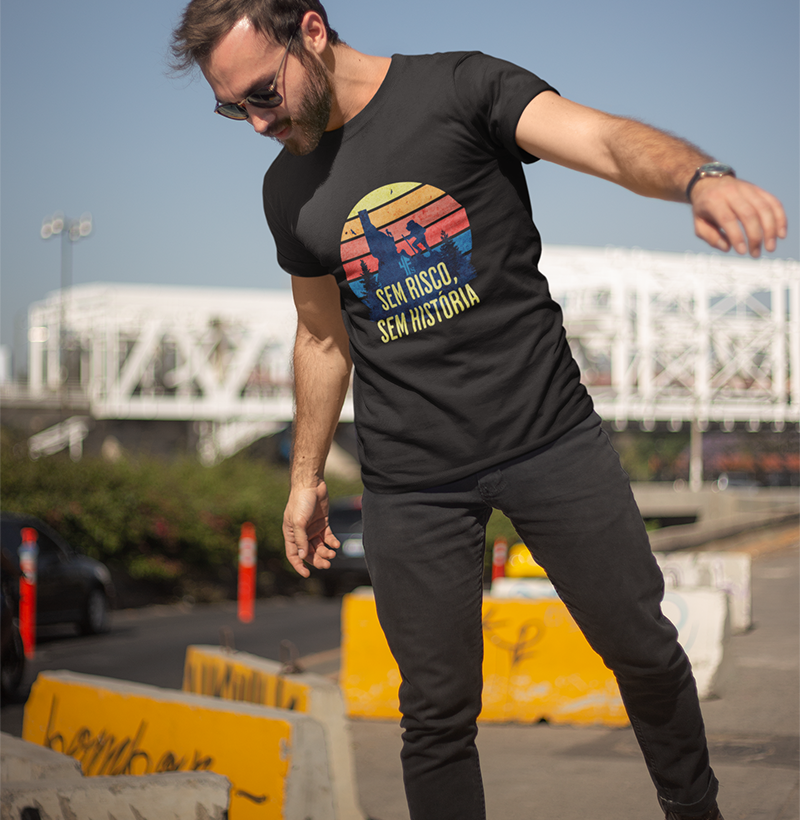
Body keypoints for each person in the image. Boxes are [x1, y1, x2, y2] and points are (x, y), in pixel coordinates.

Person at [170, 3, 787, 819]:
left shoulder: (462, 88)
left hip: (549, 438)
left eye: (261, 93)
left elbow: (604, 140)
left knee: (643, 650)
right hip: (411, 481)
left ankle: (693, 808)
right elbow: (320, 337)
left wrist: (700, 178)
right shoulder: (288, 188)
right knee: (434, 716)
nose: (256, 123)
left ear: (311, 32)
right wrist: (305, 478)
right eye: (232, 109)